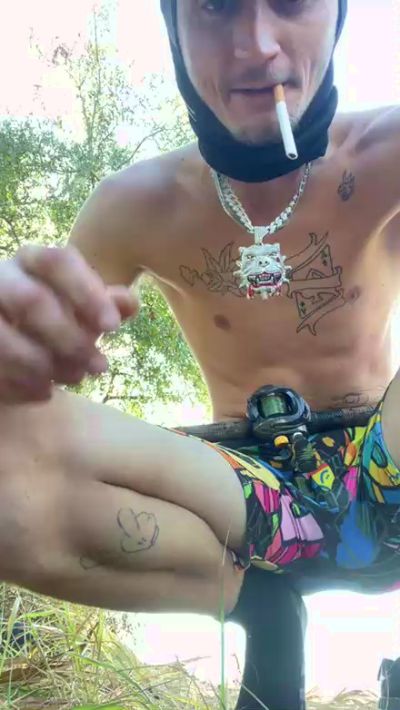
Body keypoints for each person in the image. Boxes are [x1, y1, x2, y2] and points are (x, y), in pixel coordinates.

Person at [0, 0, 400, 705]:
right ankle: (266, 617)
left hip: (384, 465)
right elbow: (37, 377)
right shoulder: (136, 204)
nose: (258, 45)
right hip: (238, 502)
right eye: (216, 5)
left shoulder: (387, 152)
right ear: (175, 25)